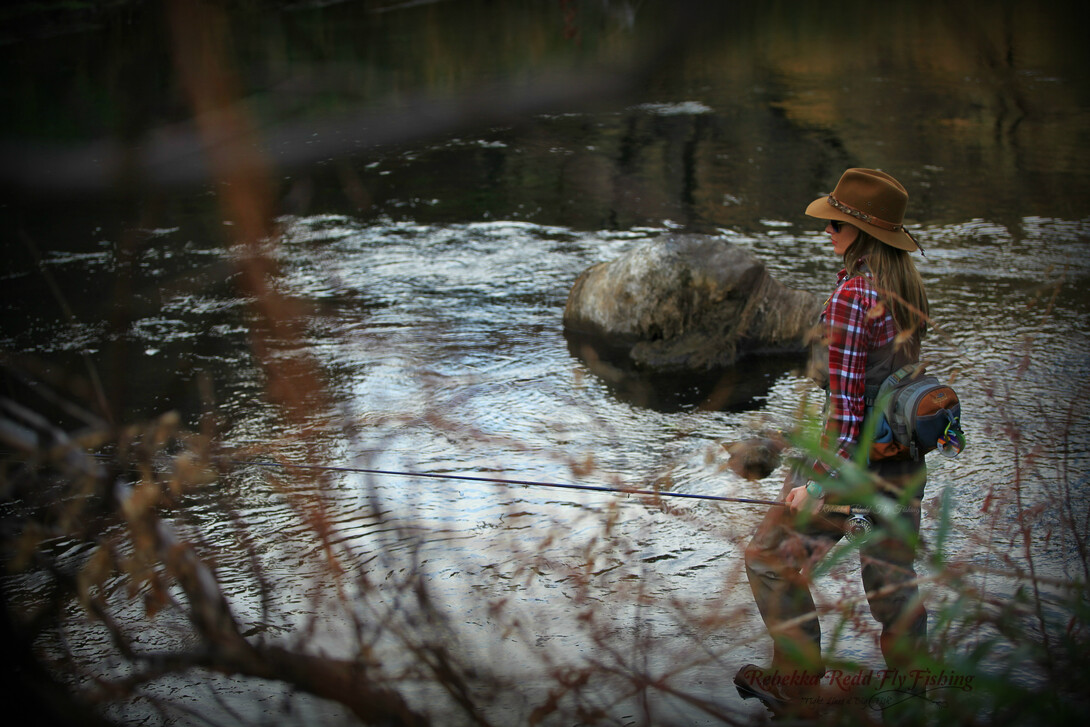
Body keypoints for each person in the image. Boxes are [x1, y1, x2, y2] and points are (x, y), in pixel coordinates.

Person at [734, 168, 930, 711]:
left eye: (838, 223)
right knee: (891, 584)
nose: (828, 230)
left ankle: (796, 688)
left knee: (769, 557)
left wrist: (817, 486)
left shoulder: (852, 297)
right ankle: (916, 695)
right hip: (902, 467)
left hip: (851, 470)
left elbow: (847, 412)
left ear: (864, 233)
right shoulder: (905, 289)